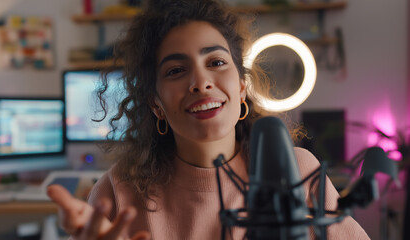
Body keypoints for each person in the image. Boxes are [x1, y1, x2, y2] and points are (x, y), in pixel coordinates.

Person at [47, 0, 370, 239]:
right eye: (175, 70)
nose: (200, 82)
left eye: (215, 62)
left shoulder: (299, 171)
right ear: (155, 104)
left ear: (242, 87)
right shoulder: (118, 191)